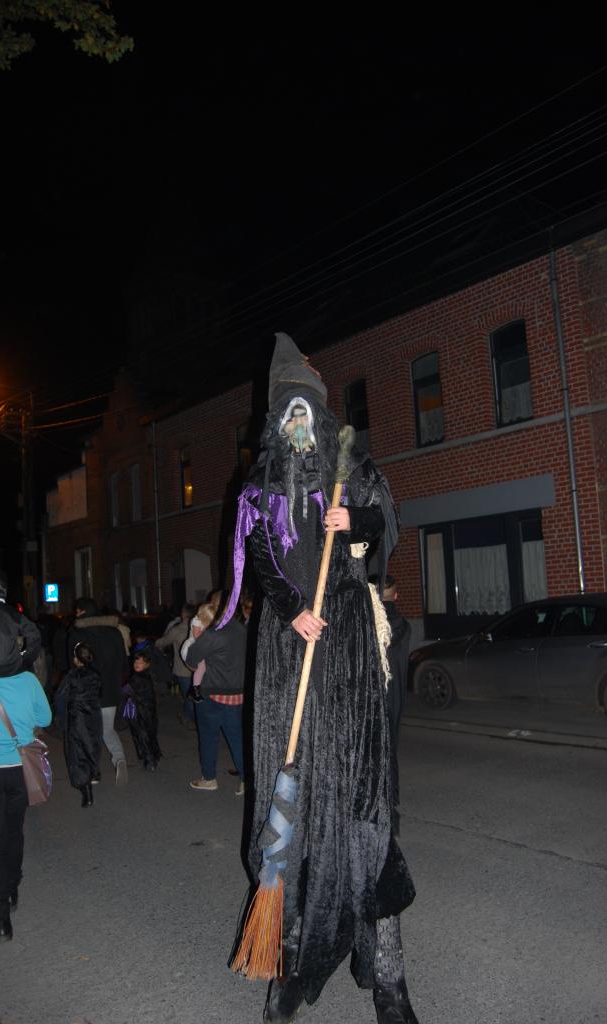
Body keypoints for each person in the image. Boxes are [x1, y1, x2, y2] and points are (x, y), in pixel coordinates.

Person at [220, 334, 418, 1023]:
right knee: (291, 807)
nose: (298, 423)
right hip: (290, 655)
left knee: (364, 806)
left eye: (307, 411)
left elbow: (384, 529)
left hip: (350, 654)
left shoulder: (351, 467)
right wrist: (290, 610)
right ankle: (289, 966)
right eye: (288, 414)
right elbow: (260, 558)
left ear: (321, 417)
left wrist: (355, 520)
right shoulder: (260, 487)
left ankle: (389, 977)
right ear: (276, 422)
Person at [0, 666, 51, 944]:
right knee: (14, 830)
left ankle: (0, 921)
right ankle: (12, 887)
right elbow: (45, 717)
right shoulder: (25, 679)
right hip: (18, 768)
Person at [181, 594, 246, 794]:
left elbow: (191, 661)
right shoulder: (242, 629)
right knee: (237, 739)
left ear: (215, 607)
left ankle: (209, 778)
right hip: (237, 694)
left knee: (209, 737)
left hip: (212, 694)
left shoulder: (213, 633)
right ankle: (246, 780)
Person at [69, 598, 128, 785]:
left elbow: (72, 663)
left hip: (88, 691)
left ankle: (93, 772)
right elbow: (123, 661)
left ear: (82, 612)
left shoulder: (79, 634)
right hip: (111, 690)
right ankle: (119, 759)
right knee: (107, 730)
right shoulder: (115, 632)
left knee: (89, 732)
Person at [380, 574, 412, 826]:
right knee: (391, 746)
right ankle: (392, 796)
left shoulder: (370, 623)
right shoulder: (404, 625)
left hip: (377, 695)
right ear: (396, 595)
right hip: (396, 695)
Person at [58, 641, 103, 808]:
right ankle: (93, 774)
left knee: (78, 752)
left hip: (77, 718)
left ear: (76, 658)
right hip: (93, 716)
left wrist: (61, 718)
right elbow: (99, 694)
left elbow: (60, 697)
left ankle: (86, 791)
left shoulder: (72, 676)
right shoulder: (96, 675)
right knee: (91, 746)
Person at [155, 603, 195, 724]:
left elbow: (163, 642)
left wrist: (154, 643)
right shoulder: (200, 627)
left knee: (189, 697)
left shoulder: (177, 630)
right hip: (199, 669)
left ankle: (195, 720)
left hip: (183, 670)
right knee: (195, 696)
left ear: (183, 614)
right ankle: (188, 715)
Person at [123, 648, 162, 771]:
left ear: (147, 664)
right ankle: (154, 756)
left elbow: (126, 690)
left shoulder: (137, 678)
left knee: (142, 735)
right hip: (147, 710)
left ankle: (150, 761)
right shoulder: (146, 675)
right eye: (135, 661)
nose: (136, 664)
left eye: (140, 662)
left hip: (141, 711)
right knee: (149, 734)